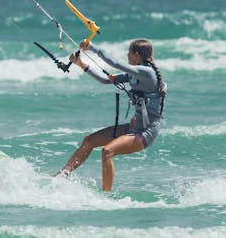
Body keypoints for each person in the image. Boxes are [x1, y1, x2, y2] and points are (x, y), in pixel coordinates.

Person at [53, 39, 166, 192]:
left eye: (129, 52)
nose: (127, 55)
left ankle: (106, 195)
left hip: (146, 132)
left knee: (107, 151)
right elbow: (105, 80)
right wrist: (81, 64)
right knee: (89, 141)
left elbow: (115, 64)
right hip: (134, 127)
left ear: (136, 55)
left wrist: (92, 48)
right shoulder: (134, 74)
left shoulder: (146, 72)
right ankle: (60, 176)